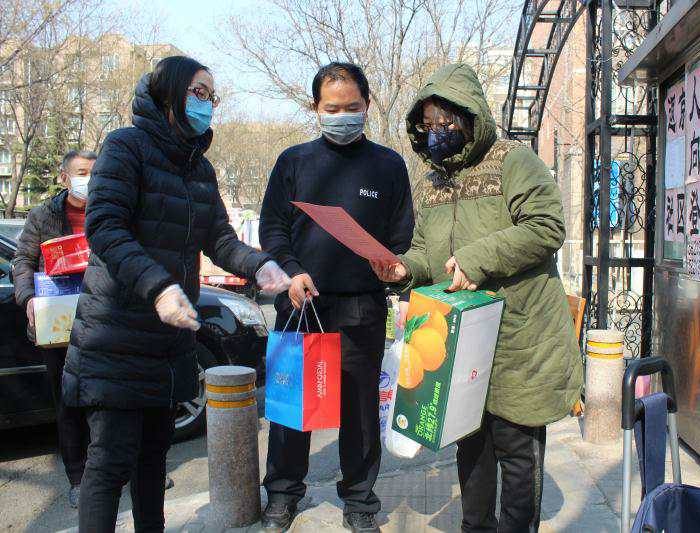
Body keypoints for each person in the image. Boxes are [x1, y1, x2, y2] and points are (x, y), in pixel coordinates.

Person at [61, 56, 291, 532]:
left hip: (169, 342)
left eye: (212, 97)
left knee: (153, 463)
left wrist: (261, 264)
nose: (207, 104)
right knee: (109, 464)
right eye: (198, 93)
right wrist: (159, 286)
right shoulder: (125, 147)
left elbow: (219, 238)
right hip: (116, 333)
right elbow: (105, 228)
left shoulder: (199, 169)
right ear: (168, 92)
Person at [371, 63, 583, 533]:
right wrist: (404, 268)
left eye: (446, 122)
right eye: (428, 124)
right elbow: (427, 252)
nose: (437, 132)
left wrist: (477, 258)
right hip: (460, 342)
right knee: (470, 443)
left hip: (518, 337)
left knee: (516, 448)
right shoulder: (431, 184)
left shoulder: (513, 161)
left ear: (471, 118)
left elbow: (547, 226)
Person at [259, 62, 414, 533]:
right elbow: (272, 230)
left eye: (351, 107)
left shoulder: (388, 165)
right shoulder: (293, 162)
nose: (342, 116)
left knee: (360, 411)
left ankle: (361, 500)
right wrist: (292, 271)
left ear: (367, 105)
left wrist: (393, 267)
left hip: (362, 307)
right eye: (332, 108)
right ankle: (282, 494)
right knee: (292, 408)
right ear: (316, 108)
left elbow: (402, 235)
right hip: (301, 303)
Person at [12, 149, 96, 509]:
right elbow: (22, 260)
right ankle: (78, 478)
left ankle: (124, 470)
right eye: (82, 172)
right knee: (68, 402)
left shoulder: (109, 210)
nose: (88, 179)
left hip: (102, 321)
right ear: (64, 177)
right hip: (58, 326)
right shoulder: (42, 215)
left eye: (94, 172)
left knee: (111, 400)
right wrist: (28, 298)